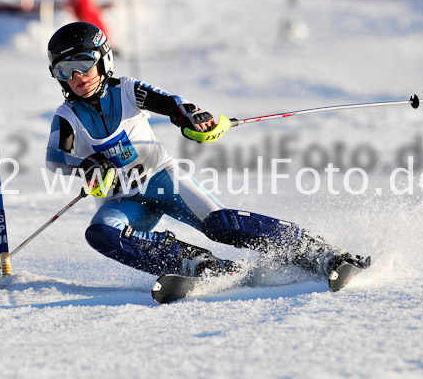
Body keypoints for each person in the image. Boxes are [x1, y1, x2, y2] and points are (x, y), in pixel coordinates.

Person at [45, 22, 369, 280]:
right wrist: (88, 164)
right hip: (124, 200)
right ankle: (194, 264)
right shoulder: (67, 116)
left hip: (163, 180)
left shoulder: (127, 90)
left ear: (103, 60)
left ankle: (316, 251)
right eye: (65, 70)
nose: (77, 77)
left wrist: (189, 116)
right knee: (100, 233)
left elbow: (171, 103)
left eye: (84, 64)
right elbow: (57, 158)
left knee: (219, 224)